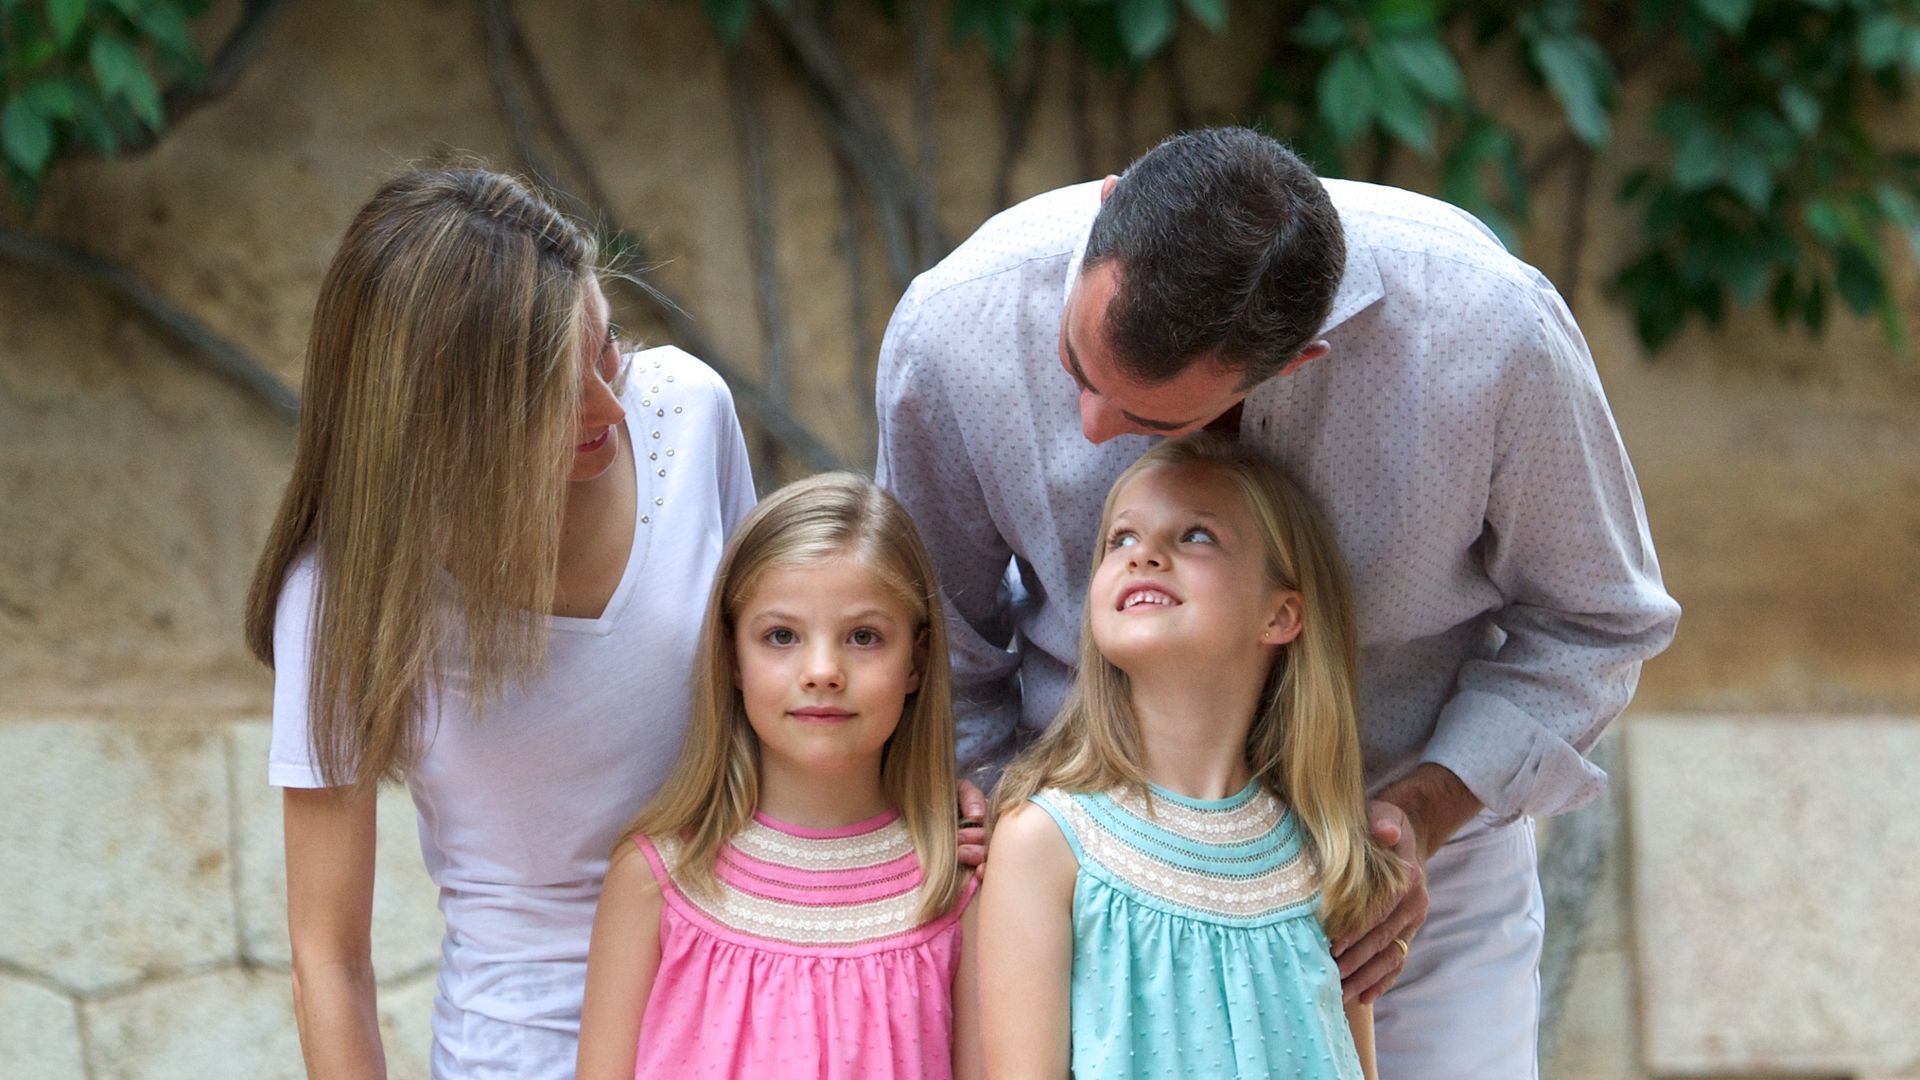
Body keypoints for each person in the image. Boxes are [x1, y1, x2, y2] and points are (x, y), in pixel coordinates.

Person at [876, 126, 1681, 1076]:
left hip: (1394, 883)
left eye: (1143, 416)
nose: (1091, 424)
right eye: (1073, 359)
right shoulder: (952, 328)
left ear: (1299, 358)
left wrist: (1415, 821)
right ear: (1106, 204)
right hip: (1081, 872)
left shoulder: (1491, 333)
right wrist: (1041, 852)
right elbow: (938, 648)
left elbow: (1598, 623)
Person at [244, 167, 756, 1078]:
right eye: (557, 393)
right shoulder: (342, 591)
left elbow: (772, 708)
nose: (608, 405)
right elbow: (329, 959)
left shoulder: (690, 411)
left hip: (746, 1018)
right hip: (520, 1050)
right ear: (442, 419)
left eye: (606, 351)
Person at [975, 434, 1405, 1079]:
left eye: (1195, 536)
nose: (1144, 554)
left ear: (1281, 615)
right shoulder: (1047, 840)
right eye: (1120, 539)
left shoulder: (1328, 852)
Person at [575, 472, 983, 1080]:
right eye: (781, 636)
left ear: (917, 661)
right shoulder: (655, 882)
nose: (822, 670)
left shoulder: (958, 887)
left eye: (864, 636)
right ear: (733, 655)